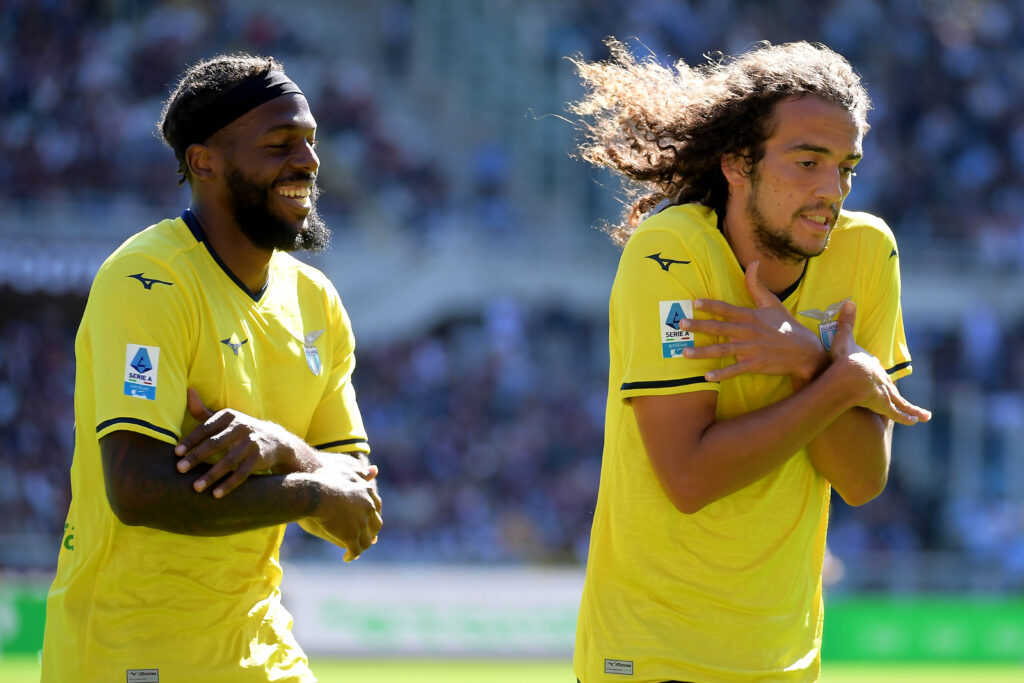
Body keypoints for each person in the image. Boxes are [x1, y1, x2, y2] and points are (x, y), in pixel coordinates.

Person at [569, 40, 931, 682]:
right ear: (739, 164)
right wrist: (836, 382)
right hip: (652, 657)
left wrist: (809, 362)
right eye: (807, 161)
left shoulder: (868, 252)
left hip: (785, 662)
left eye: (846, 166)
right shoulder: (671, 255)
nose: (831, 190)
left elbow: (863, 479)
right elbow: (689, 478)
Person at [41, 54, 383, 682]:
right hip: (132, 655)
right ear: (205, 163)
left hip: (262, 652)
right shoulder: (148, 279)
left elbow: (357, 507)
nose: (307, 162)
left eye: (309, 142)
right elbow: (138, 489)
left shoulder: (316, 302)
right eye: (280, 144)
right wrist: (311, 485)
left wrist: (283, 449)